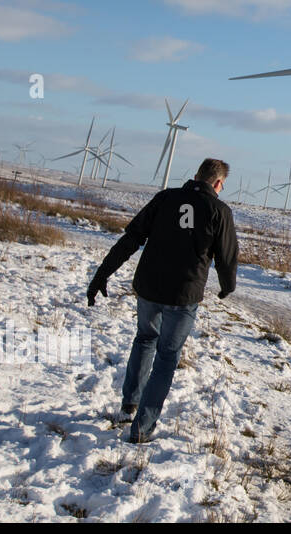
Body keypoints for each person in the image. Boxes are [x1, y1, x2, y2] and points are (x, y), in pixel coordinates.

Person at [86, 158, 238, 443]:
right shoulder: (220, 210)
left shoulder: (165, 198)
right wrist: (227, 286)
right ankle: (142, 428)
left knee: (145, 338)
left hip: (149, 287)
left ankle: (130, 403)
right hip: (183, 294)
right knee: (167, 357)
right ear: (218, 183)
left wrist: (102, 274)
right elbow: (227, 257)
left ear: (195, 175)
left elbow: (131, 238)